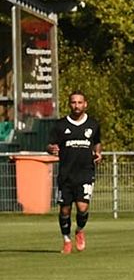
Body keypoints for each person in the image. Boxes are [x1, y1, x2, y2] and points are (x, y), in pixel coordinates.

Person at [46, 91, 102, 254]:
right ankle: (66, 240)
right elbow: (50, 146)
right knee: (65, 210)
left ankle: (79, 230)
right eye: (73, 102)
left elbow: (97, 142)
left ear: (85, 104)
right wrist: (51, 149)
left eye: (79, 102)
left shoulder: (93, 124)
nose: (76, 105)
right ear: (69, 104)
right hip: (66, 174)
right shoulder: (60, 125)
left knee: (83, 207)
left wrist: (98, 153)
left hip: (85, 172)